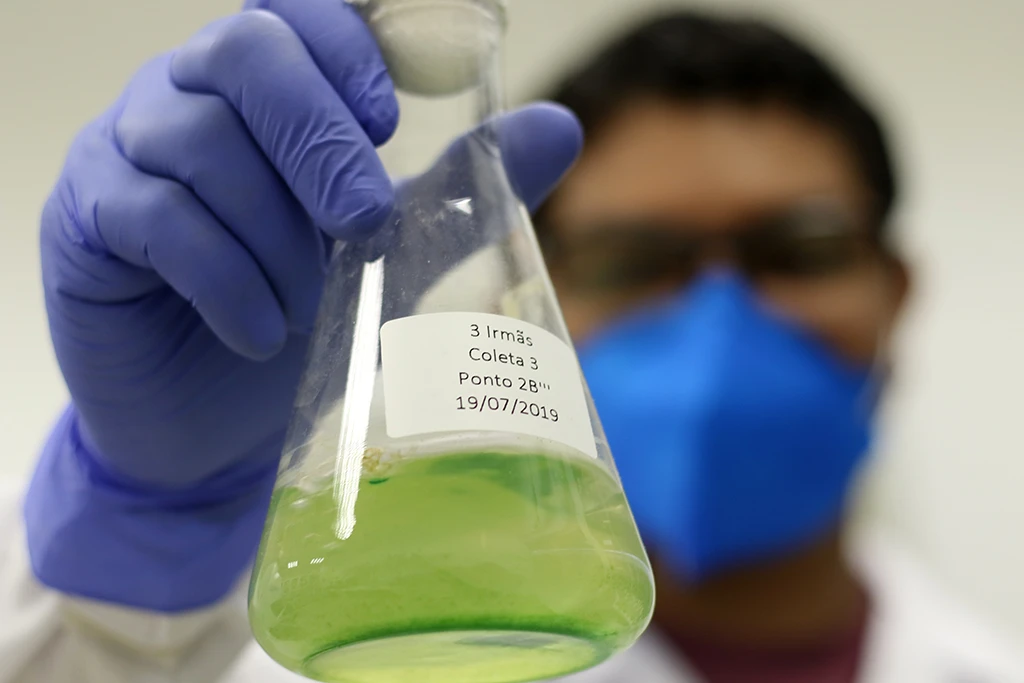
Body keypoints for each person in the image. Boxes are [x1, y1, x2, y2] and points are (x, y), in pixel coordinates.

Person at [0, 1, 1019, 682]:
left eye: (794, 249)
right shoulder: (353, 646)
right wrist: (143, 544)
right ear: (534, 291)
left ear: (896, 291)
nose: (719, 320)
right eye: (633, 258)